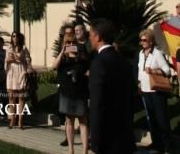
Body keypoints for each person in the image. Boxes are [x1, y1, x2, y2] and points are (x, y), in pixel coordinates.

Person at [88, 18, 135, 154]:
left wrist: (95, 139)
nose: (89, 38)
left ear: (98, 37)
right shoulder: (123, 61)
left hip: (107, 136)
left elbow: (97, 103)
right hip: (124, 132)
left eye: (91, 35)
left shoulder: (99, 63)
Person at [53, 24, 89, 154]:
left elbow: (87, 63)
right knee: (69, 120)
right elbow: (54, 66)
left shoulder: (81, 50)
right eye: (68, 42)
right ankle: (71, 149)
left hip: (80, 91)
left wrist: (77, 52)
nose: (70, 44)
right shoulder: (63, 55)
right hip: (67, 91)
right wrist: (63, 51)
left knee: (83, 121)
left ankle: (85, 150)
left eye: (72, 41)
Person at [138, 28, 172, 154]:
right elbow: (139, 70)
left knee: (162, 119)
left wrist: (153, 71)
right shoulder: (141, 53)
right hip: (145, 90)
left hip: (157, 91)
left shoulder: (157, 53)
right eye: (141, 40)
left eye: (145, 40)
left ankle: (168, 146)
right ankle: (157, 145)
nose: (143, 42)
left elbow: (167, 70)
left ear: (151, 41)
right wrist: (139, 83)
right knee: (151, 118)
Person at [5, 31, 32, 130]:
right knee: (11, 98)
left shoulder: (24, 48)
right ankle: (12, 119)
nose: (14, 38)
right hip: (11, 74)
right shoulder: (9, 48)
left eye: (16, 36)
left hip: (20, 73)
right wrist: (10, 59)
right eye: (13, 36)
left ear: (19, 38)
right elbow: (6, 61)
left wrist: (21, 59)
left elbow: (28, 60)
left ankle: (20, 120)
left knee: (21, 98)